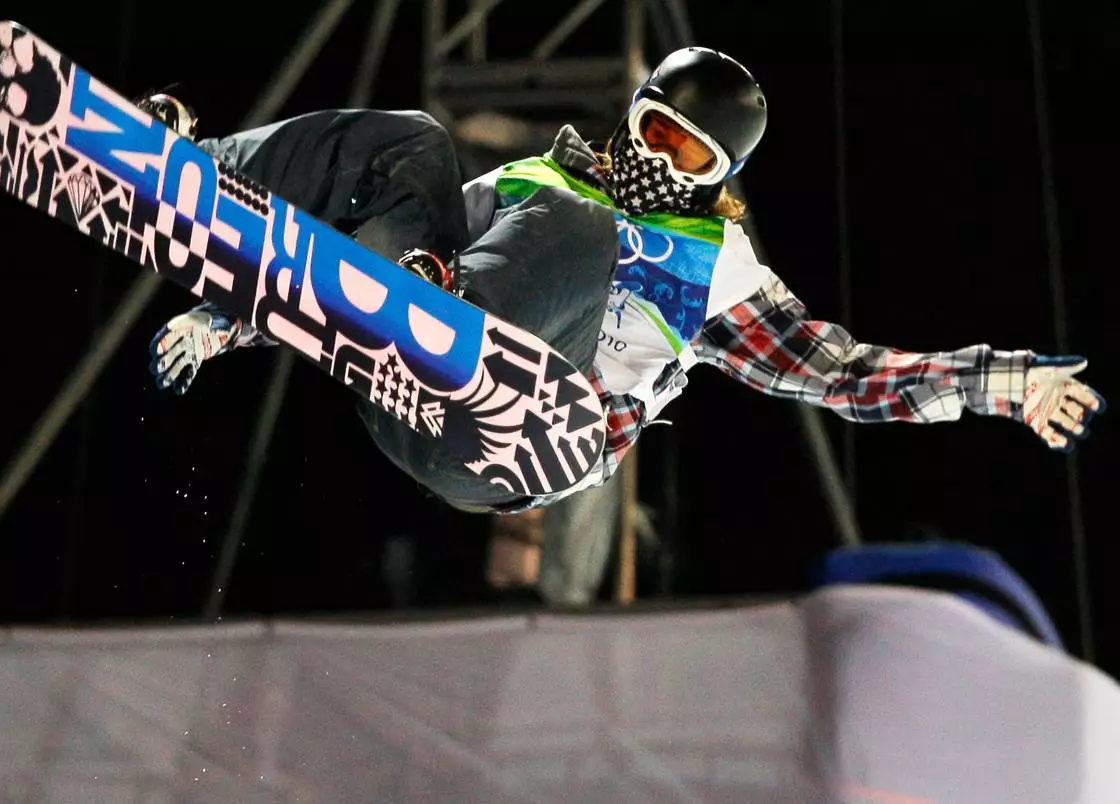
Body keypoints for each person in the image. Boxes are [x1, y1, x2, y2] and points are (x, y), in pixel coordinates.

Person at [146, 47, 1106, 515]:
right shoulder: (536, 183)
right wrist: (228, 321)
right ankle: (193, 163)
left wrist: (1003, 382)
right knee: (417, 144)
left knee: (584, 226)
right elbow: (345, 266)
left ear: (716, 182)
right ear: (631, 116)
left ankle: (449, 318)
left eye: (689, 157)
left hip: (535, 433)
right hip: (406, 396)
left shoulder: (720, 273)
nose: (662, 161)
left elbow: (845, 375)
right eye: (654, 131)